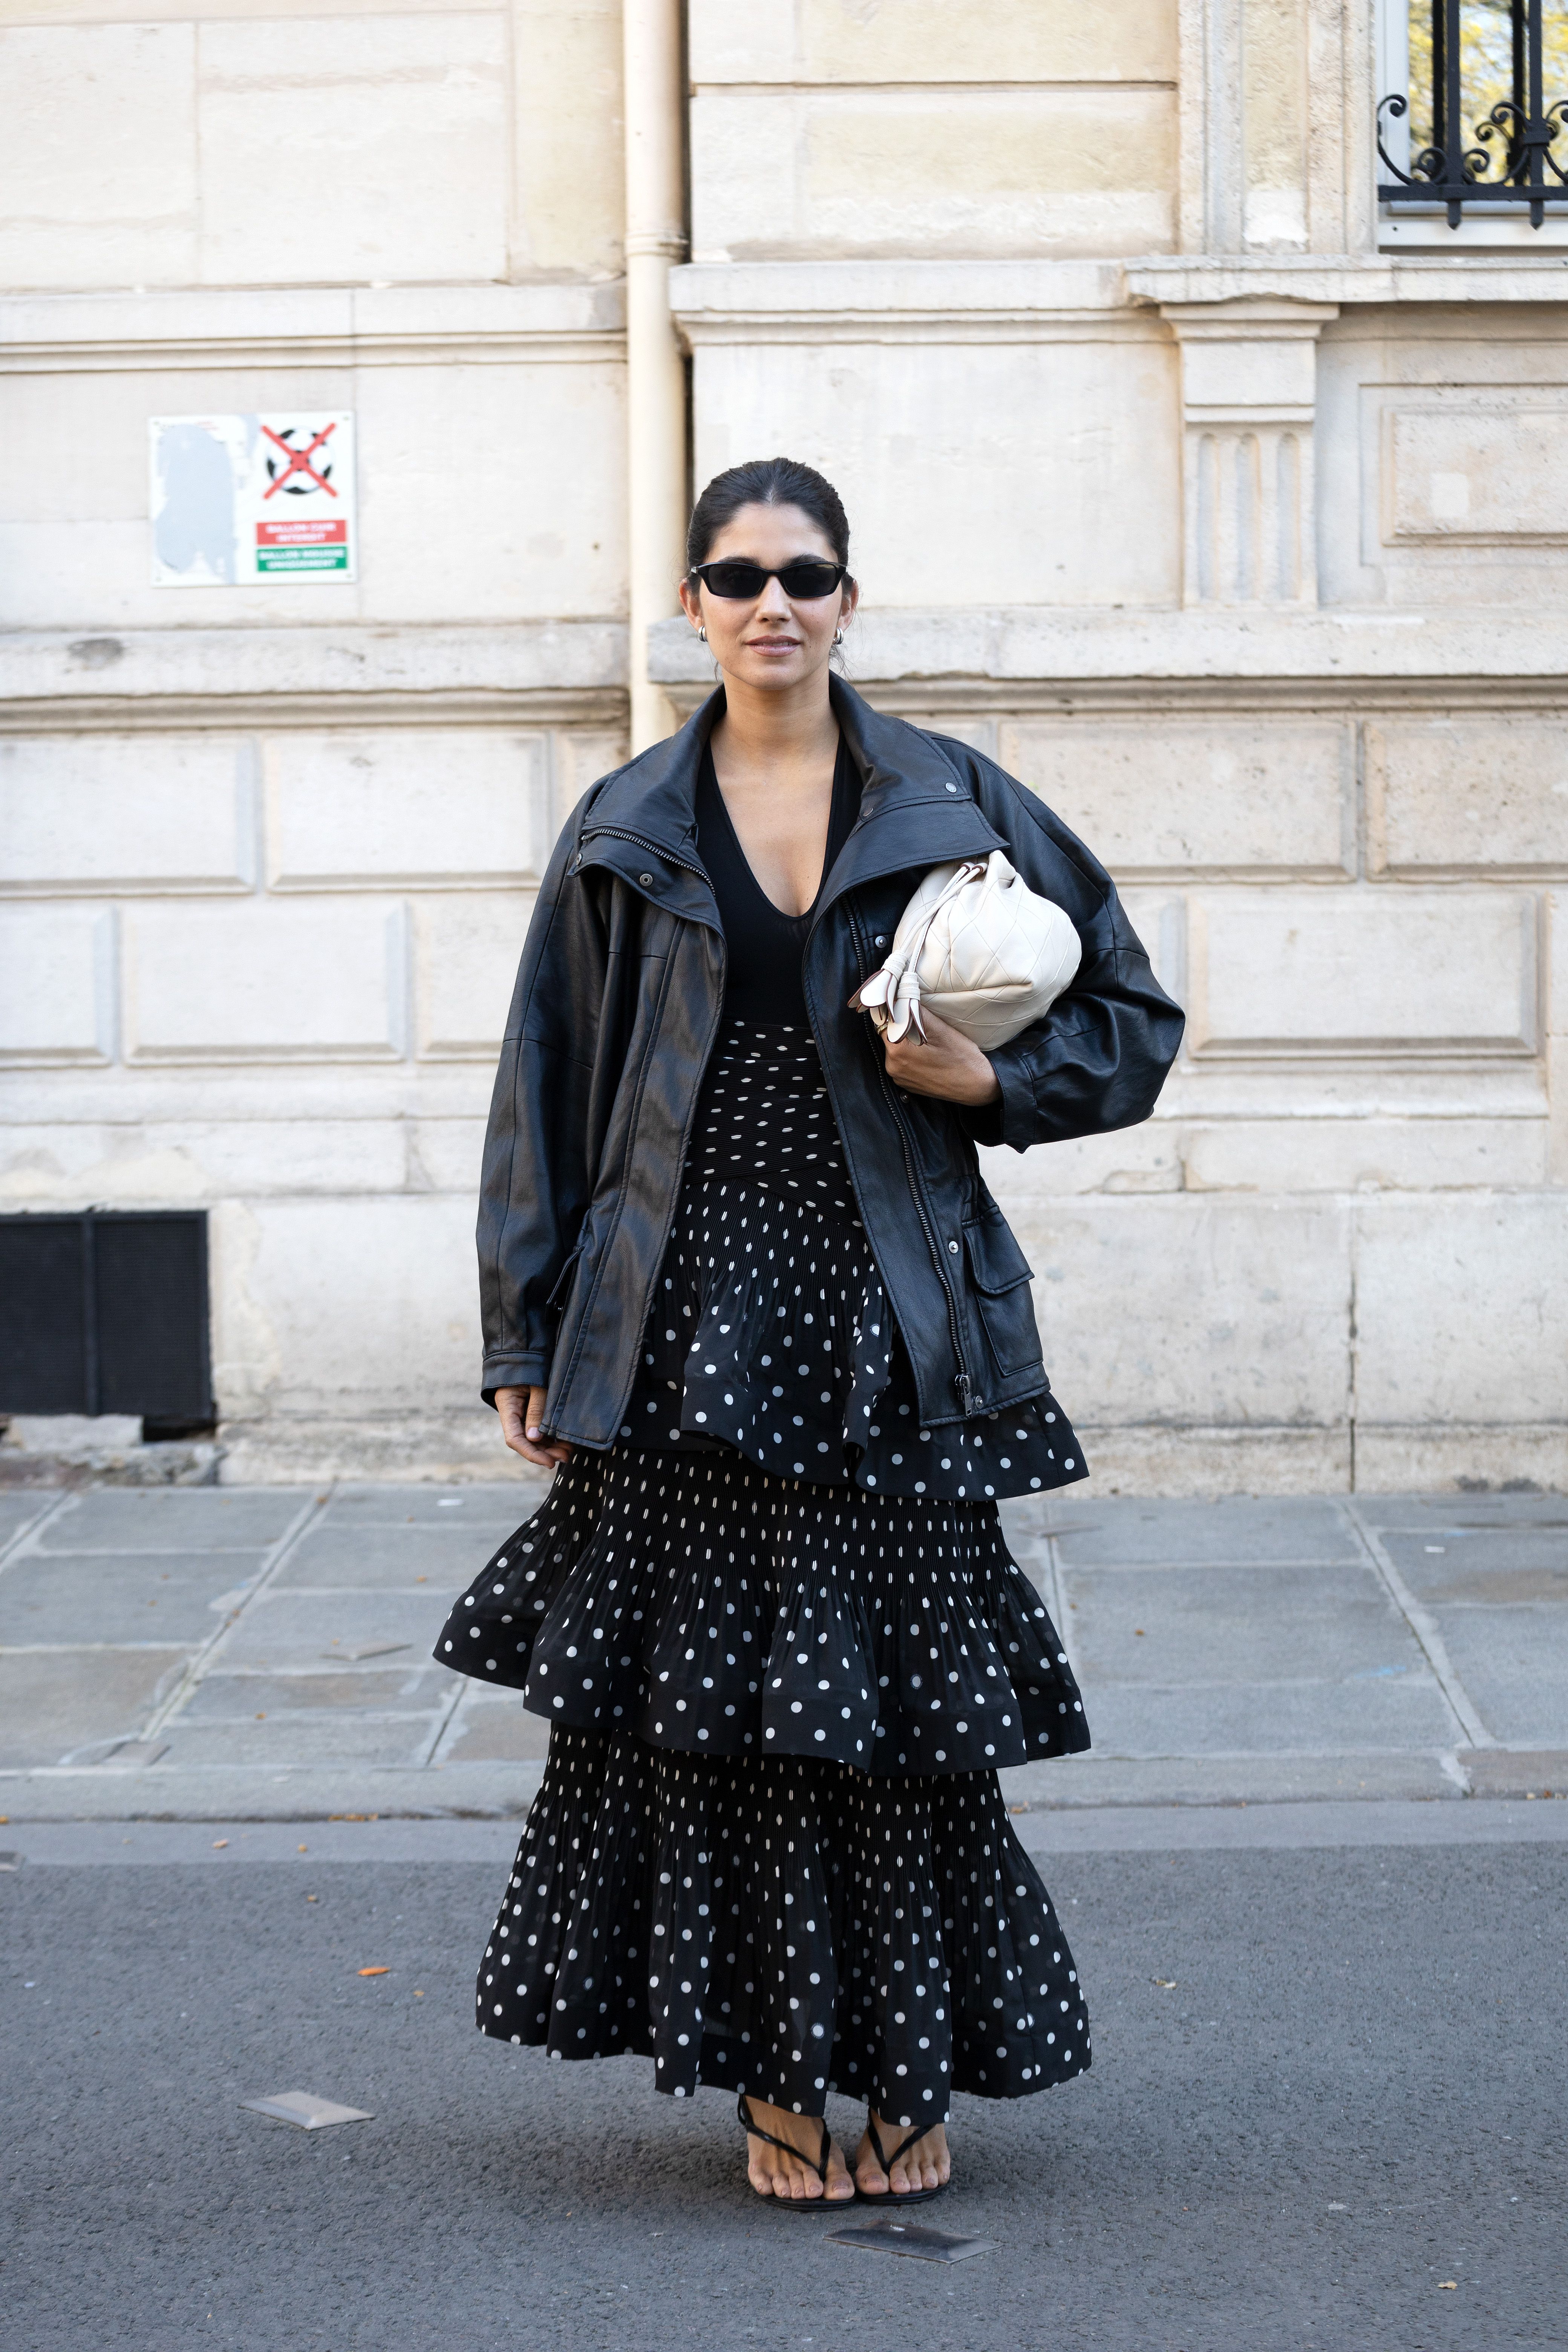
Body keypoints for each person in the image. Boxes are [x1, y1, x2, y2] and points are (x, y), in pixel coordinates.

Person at [436, 456, 1184, 2208]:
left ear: (850, 599)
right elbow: (540, 1088)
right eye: (736, 575)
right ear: (691, 606)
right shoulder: (627, 823)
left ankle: (906, 2067)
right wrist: (523, 1331)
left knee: (905, 1719)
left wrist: (990, 1078)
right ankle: (777, 2080)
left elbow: (1134, 1020)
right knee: (718, 1723)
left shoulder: (949, 796)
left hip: (887, 1323)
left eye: (805, 573)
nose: (771, 603)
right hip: (681, 1322)